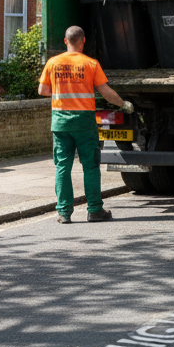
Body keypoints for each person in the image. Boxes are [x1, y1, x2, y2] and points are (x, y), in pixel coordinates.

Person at [38, 25, 133, 224]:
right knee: (90, 166)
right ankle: (94, 210)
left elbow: (42, 90)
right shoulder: (90, 64)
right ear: (83, 41)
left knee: (62, 166)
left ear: (65, 41)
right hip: (84, 122)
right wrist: (123, 104)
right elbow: (106, 92)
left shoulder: (53, 63)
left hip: (60, 121)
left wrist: (63, 92)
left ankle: (64, 212)